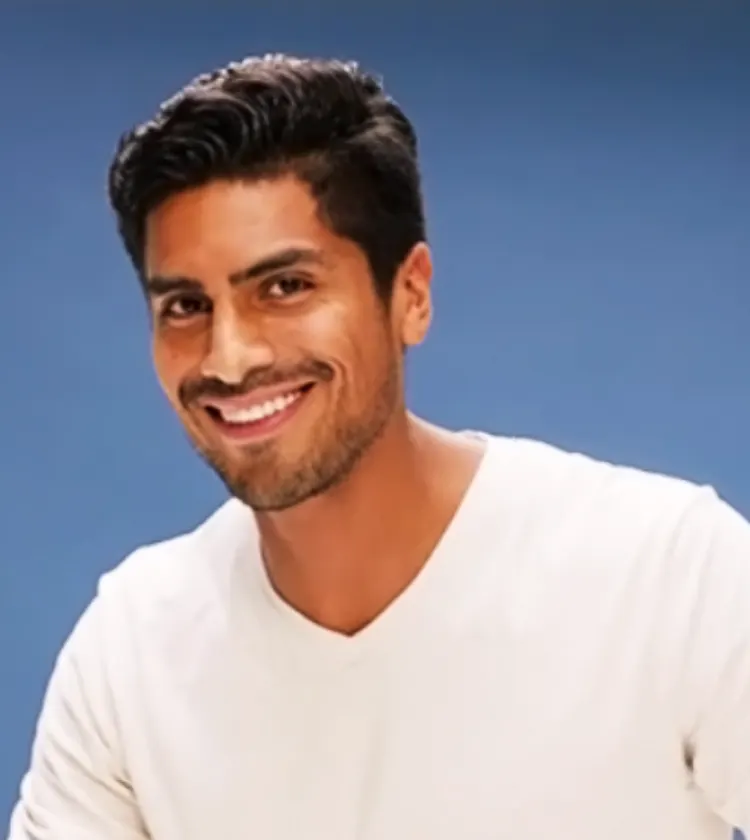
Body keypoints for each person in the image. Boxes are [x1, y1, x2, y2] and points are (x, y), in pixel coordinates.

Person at [7, 53, 750, 840]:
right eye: (187, 306)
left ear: (411, 294)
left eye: (285, 287)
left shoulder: (668, 575)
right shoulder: (131, 652)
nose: (229, 358)